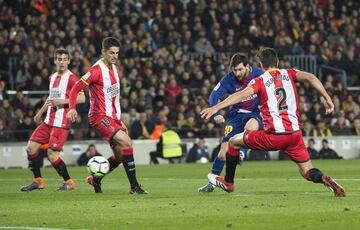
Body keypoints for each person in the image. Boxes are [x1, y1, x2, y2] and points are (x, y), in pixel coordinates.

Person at [201, 47, 346, 197]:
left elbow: (241, 94)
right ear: (277, 61)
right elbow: (311, 78)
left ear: (261, 65)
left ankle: (228, 182)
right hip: (295, 136)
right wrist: (327, 99)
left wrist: (216, 107)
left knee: (232, 142)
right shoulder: (289, 73)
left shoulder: (260, 80)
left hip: (274, 136)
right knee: (307, 171)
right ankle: (324, 178)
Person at [67, 37, 147, 194]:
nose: (114, 56)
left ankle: (95, 180)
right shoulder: (95, 71)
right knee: (127, 142)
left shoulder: (115, 69)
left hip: (113, 118)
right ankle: (134, 187)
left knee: (119, 157)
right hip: (99, 116)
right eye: (111, 53)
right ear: (103, 52)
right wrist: (72, 108)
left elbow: (114, 97)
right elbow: (75, 89)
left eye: (117, 53)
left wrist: (119, 120)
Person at [20, 48, 85, 192]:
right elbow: (51, 99)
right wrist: (40, 113)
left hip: (61, 122)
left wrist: (62, 101)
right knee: (31, 148)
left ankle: (69, 182)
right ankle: (38, 181)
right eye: (58, 59)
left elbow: (82, 98)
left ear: (68, 61)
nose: (61, 62)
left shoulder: (73, 78)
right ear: (55, 60)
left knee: (51, 154)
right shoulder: (52, 77)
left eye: (64, 59)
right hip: (48, 120)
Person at [198, 53, 263, 193]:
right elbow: (214, 95)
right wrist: (215, 113)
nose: (238, 73)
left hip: (255, 114)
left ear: (247, 66)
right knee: (223, 153)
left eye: (240, 69)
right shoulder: (229, 79)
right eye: (235, 70)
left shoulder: (259, 74)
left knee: (250, 127)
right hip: (235, 117)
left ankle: (241, 154)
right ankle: (212, 182)